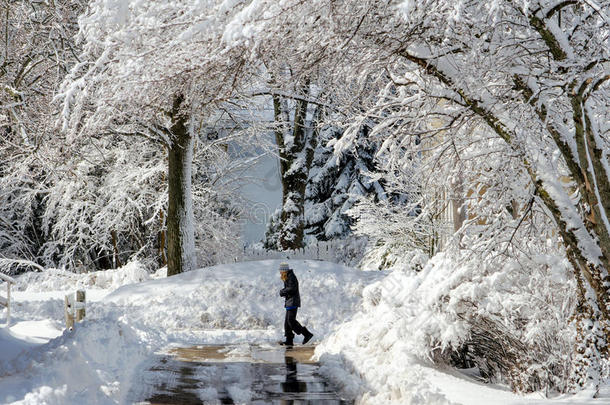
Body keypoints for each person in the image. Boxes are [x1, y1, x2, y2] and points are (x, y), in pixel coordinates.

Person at [278, 262, 313, 346]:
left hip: (293, 302)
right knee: (287, 323)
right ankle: (289, 340)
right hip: (290, 301)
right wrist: (284, 291)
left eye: (281, 271)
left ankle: (307, 334)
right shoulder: (288, 277)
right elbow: (289, 288)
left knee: (291, 321)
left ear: (284, 270)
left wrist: (283, 292)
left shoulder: (291, 277)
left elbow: (292, 289)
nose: (280, 272)